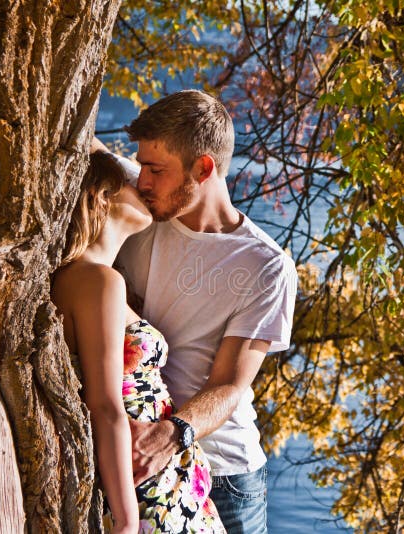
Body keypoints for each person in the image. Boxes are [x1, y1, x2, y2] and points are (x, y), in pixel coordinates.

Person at [105, 89, 297, 533]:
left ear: (204, 167)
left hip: (226, 475)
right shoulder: (142, 209)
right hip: (139, 451)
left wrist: (170, 435)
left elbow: (230, 385)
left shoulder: (266, 267)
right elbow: (80, 146)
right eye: (142, 166)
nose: (143, 181)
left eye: (156, 170)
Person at [51, 151, 225, 533]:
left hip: (162, 487)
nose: (142, 186)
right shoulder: (98, 281)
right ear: (101, 195)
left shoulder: (88, 278)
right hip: (145, 493)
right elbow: (105, 406)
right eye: (131, 179)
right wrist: (127, 523)